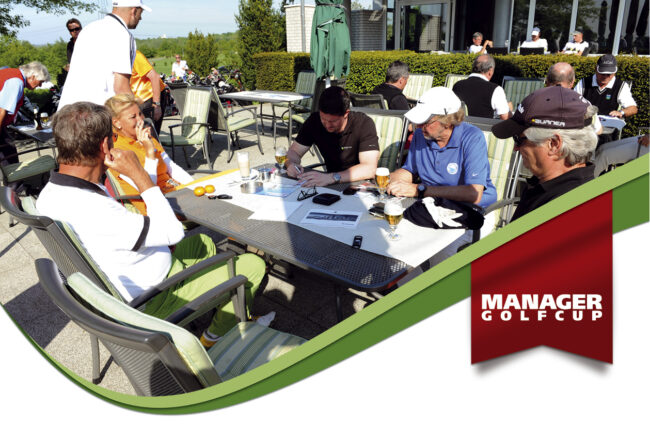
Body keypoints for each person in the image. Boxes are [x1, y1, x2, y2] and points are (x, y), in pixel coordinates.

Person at [36, 101, 266, 347]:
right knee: (252, 265)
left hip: (139, 274)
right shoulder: (94, 208)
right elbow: (173, 233)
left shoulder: (49, 195)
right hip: (153, 299)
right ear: (105, 146)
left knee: (202, 242)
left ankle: (221, 304)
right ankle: (213, 338)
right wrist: (140, 175)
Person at [491, 86, 598, 221]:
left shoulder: (567, 209)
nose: (515, 148)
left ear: (553, 144)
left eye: (519, 139)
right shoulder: (546, 185)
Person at [105, 93, 192, 214]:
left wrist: (195, 185)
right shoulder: (118, 152)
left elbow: (171, 167)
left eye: (140, 113)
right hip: (156, 207)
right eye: (133, 117)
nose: (141, 120)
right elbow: (149, 190)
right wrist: (149, 151)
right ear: (117, 123)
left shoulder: (144, 136)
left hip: (175, 192)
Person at [58, 0, 150, 108]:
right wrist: (138, 114)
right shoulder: (123, 34)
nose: (140, 18)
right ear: (133, 11)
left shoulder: (88, 29)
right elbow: (121, 88)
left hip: (68, 110)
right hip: (96, 112)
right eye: (140, 13)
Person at [285, 86, 379, 187]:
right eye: (323, 119)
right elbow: (294, 152)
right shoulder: (314, 121)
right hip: (329, 183)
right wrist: (291, 164)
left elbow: (369, 168)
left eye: (333, 121)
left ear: (346, 113)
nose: (327, 125)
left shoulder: (363, 123)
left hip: (359, 183)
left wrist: (332, 177)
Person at [574, 54, 637, 145]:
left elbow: (633, 108)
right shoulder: (583, 83)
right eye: (602, 73)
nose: (606, 76)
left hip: (607, 133)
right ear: (596, 69)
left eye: (609, 74)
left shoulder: (621, 86)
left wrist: (621, 112)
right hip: (585, 129)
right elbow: (572, 103)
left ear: (614, 72)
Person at [0, 62, 50, 164]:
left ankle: (13, 172)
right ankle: (13, 173)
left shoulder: (12, 74)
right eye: (40, 82)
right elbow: (1, 111)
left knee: (10, 151)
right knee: (9, 156)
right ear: (33, 76)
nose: (40, 85)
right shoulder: (16, 82)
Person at [545, 62, 602, 135]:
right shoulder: (585, 104)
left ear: (547, 81)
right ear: (572, 83)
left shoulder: (534, 100)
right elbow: (598, 130)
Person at [452, 54, 510, 120]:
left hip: (461, 125)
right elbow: (505, 118)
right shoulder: (496, 89)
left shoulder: (457, 85)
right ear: (490, 71)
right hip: (484, 126)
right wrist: (509, 109)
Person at [130, 50, 165, 133]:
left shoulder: (135, 56)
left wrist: (156, 105)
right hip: (137, 99)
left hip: (149, 97)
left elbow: (155, 77)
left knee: (149, 133)